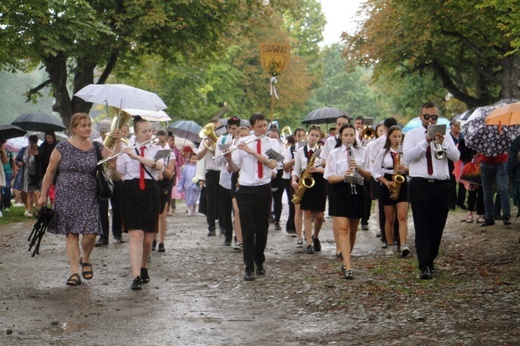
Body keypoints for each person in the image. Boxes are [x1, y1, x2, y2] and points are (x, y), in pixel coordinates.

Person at [37, 113, 118, 286]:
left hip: (89, 195)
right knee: (71, 233)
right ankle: (74, 272)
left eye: (89, 124)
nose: (88, 128)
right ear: (74, 128)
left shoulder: (97, 146)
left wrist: (117, 141)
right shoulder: (62, 147)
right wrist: (43, 195)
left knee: (90, 233)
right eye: (83, 125)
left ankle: (86, 259)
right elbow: (50, 172)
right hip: (66, 195)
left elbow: (114, 159)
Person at [403, 102, 460, 280]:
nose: (430, 120)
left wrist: (444, 144)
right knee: (422, 225)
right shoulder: (412, 135)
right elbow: (408, 156)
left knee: (438, 225)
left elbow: (456, 157)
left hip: (441, 184)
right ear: (420, 116)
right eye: (426, 117)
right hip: (420, 183)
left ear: (438, 117)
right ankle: (424, 265)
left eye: (433, 117)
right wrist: (425, 141)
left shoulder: (445, 134)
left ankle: (431, 258)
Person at [226, 113, 279, 281]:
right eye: (259, 126)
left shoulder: (272, 142)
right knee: (248, 229)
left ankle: (259, 261)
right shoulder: (242, 142)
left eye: (265, 125)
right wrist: (228, 159)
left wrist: (252, 152)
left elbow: (272, 164)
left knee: (262, 229)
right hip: (246, 189)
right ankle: (248, 267)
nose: (263, 129)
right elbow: (235, 169)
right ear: (252, 128)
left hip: (263, 188)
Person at [114, 117, 164, 290]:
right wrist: (118, 147)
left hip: (150, 191)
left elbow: (157, 166)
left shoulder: (159, 148)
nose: (149, 134)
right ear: (136, 133)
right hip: (130, 191)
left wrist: (135, 156)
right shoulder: (126, 149)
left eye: (150, 130)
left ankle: (144, 266)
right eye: (144, 131)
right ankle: (135, 275)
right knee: (136, 235)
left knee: (148, 239)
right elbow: (118, 172)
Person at [323, 124, 371, 279]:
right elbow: (329, 177)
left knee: (352, 228)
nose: (349, 138)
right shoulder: (334, 153)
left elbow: (368, 175)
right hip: (340, 190)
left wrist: (357, 168)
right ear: (341, 136)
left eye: (351, 135)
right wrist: (344, 175)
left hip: (357, 189)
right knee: (343, 228)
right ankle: (349, 266)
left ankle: (346, 258)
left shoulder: (363, 151)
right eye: (346, 135)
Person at [372, 126, 410, 257]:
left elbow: (413, 169)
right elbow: (375, 171)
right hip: (388, 181)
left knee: (402, 216)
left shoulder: (405, 152)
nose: (397, 139)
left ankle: (404, 244)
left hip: (402, 181)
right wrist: (385, 181)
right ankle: (389, 244)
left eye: (399, 136)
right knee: (389, 217)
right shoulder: (383, 152)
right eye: (394, 136)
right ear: (389, 137)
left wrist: (404, 168)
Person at [291, 125, 326, 254]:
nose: (314, 138)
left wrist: (317, 169)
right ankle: (308, 243)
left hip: (319, 180)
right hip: (305, 181)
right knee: (306, 213)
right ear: (308, 135)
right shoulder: (300, 151)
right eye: (312, 135)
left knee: (319, 215)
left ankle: (315, 236)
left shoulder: (323, 151)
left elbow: (328, 168)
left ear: (320, 137)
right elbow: (296, 169)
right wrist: (294, 180)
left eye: (317, 136)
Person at [319, 115, 351, 259]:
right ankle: (339, 247)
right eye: (338, 124)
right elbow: (323, 161)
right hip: (334, 179)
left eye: (343, 124)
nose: (339, 126)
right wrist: (335, 160)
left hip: (351, 181)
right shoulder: (330, 142)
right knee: (337, 214)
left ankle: (347, 245)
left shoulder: (353, 140)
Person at [214, 116, 240, 245]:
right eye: (231, 128)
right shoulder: (222, 139)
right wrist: (225, 154)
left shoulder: (242, 141)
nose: (233, 131)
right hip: (225, 179)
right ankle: (228, 236)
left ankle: (238, 236)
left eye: (235, 129)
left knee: (238, 210)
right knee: (226, 209)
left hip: (239, 179)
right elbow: (217, 161)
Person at [196, 118, 222, 236]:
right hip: (211, 173)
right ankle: (211, 227)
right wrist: (207, 147)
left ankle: (223, 225)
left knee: (223, 200)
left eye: (216, 128)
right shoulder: (205, 140)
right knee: (211, 201)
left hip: (222, 172)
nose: (215, 131)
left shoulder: (223, 139)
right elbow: (198, 157)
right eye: (213, 128)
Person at [154, 129, 176, 252]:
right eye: (157, 141)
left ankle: (161, 241)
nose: (159, 144)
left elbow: (170, 174)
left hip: (164, 183)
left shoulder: (170, 153)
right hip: (153, 181)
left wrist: (161, 167)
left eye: (162, 142)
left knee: (162, 213)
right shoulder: (151, 150)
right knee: (153, 212)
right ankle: (152, 238)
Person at [283, 127, 306, 245]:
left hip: (306, 180)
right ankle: (297, 234)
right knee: (295, 207)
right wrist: (295, 158)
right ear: (295, 137)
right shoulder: (291, 149)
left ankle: (307, 231)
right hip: (294, 179)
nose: (302, 138)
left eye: (303, 135)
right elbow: (285, 165)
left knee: (307, 209)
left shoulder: (309, 149)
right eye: (299, 136)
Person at [14, 134, 41, 217]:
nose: (31, 144)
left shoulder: (39, 150)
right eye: (30, 142)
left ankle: (37, 210)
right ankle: (28, 208)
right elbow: (17, 159)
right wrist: (19, 163)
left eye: (33, 142)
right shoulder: (24, 149)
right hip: (25, 173)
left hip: (36, 174)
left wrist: (36, 154)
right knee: (25, 192)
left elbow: (41, 161)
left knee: (36, 193)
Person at [268, 127, 285, 231]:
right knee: (267, 198)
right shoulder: (265, 145)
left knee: (278, 198)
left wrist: (271, 154)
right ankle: (268, 216)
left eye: (275, 137)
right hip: (268, 173)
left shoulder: (282, 146)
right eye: (271, 137)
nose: (273, 139)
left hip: (279, 173)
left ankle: (277, 221)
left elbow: (281, 159)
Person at [448, 119, 467, 210]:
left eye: (459, 125)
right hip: (451, 161)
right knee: (451, 182)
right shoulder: (448, 137)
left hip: (461, 162)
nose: (459, 127)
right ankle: (452, 202)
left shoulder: (463, 136)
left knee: (462, 182)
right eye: (457, 126)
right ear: (452, 127)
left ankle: (461, 201)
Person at [38, 129, 59, 207]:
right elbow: (39, 159)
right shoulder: (43, 146)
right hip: (44, 171)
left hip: (56, 172)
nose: (49, 140)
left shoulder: (57, 146)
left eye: (50, 138)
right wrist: (37, 154)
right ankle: (43, 208)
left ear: (53, 137)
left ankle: (54, 207)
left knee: (54, 192)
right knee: (44, 190)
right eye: (47, 138)